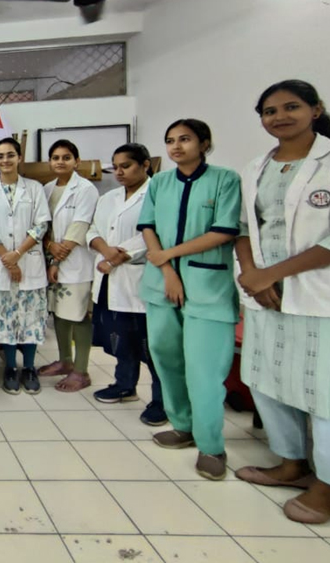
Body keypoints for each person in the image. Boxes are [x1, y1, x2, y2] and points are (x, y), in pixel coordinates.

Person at [233, 80, 330, 523]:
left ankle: (325, 487)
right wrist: (253, 275)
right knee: (268, 381)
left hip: (315, 295)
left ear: (316, 109)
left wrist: (270, 275)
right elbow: (242, 227)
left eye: (291, 107)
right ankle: (292, 463)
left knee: (322, 392)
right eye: (270, 111)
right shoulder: (256, 167)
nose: (279, 117)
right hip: (264, 295)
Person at [137, 119, 241, 480]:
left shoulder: (225, 180)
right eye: (170, 141)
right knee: (166, 357)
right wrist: (167, 270)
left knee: (204, 370)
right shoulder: (160, 183)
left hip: (206, 287)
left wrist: (170, 255)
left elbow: (224, 231)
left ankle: (211, 446)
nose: (176, 146)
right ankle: (182, 425)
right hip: (161, 284)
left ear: (204, 143)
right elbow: (147, 226)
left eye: (185, 139)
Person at [89, 143, 167, 426]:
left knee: (151, 345)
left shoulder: (158, 194)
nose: (119, 172)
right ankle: (125, 385)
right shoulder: (108, 197)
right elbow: (93, 229)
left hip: (139, 278)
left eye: (126, 166)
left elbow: (153, 233)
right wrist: (105, 251)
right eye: (116, 167)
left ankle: (162, 400)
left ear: (145, 165)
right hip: (109, 278)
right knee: (119, 338)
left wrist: (117, 257)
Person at [0, 137, 51, 396]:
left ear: (19, 157)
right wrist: (8, 259)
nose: (5, 160)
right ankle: (10, 367)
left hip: (29, 262)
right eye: (0, 156)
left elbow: (41, 225)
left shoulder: (34, 188)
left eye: (10, 155)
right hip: (2, 264)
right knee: (6, 320)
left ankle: (29, 368)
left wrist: (17, 254)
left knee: (32, 318)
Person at [38, 140, 98, 393]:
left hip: (75, 261)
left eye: (66, 157)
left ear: (76, 161)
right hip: (52, 258)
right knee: (59, 313)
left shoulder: (86, 189)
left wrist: (57, 256)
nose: (60, 162)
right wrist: (49, 246)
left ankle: (81, 371)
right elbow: (43, 224)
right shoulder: (47, 188)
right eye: (55, 157)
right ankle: (65, 361)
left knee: (79, 315)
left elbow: (80, 226)